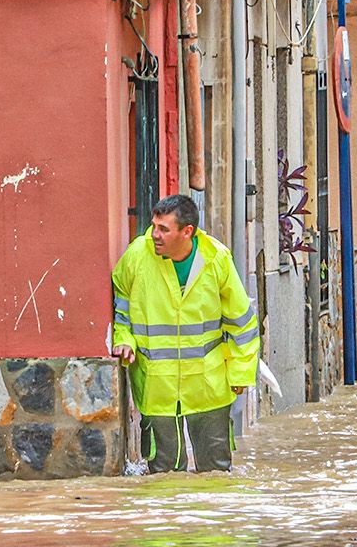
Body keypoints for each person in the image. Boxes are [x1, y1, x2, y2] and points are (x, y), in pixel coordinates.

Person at [111, 194, 260, 472]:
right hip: (158, 387)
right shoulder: (136, 257)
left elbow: (242, 323)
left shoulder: (216, 259)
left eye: (163, 229)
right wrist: (124, 339)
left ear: (187, 232)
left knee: (215, 471)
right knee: (164, 474)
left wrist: (241, 373)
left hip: (208, 386)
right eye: (154, 226)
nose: (154, 234)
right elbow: (121, 304)